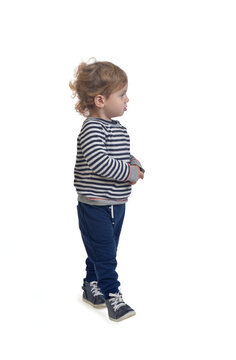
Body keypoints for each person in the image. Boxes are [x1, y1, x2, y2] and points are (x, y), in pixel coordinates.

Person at [69, 57, 145, 322]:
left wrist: (135, 164)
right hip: (94, 204)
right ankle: (113, 296)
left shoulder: (116, 127)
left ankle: (91, 286)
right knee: (104, 252)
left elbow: (123, 154)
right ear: (100, 100)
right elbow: (100, 163)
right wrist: (129, 173)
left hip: (116, 202)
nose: (127, 100)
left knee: (104, 250)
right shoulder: (92, 129)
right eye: (122, 94)